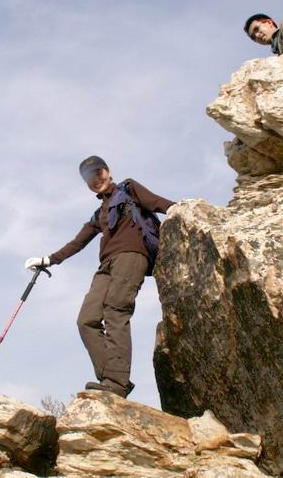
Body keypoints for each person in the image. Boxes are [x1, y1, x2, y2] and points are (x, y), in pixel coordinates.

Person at [25, 156, 175, 398]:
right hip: (106, 264)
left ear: (108, 171)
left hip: (131, 256)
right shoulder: (99, 214)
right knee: (86, 320)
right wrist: (48, 260)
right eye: (89, 178)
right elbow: (77, 243)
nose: (96, 180)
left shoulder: (128, 189)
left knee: (116, 311)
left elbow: (156, 201)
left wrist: (181, 208)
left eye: (98, 172)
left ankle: (116, 382)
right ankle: (113, 377)